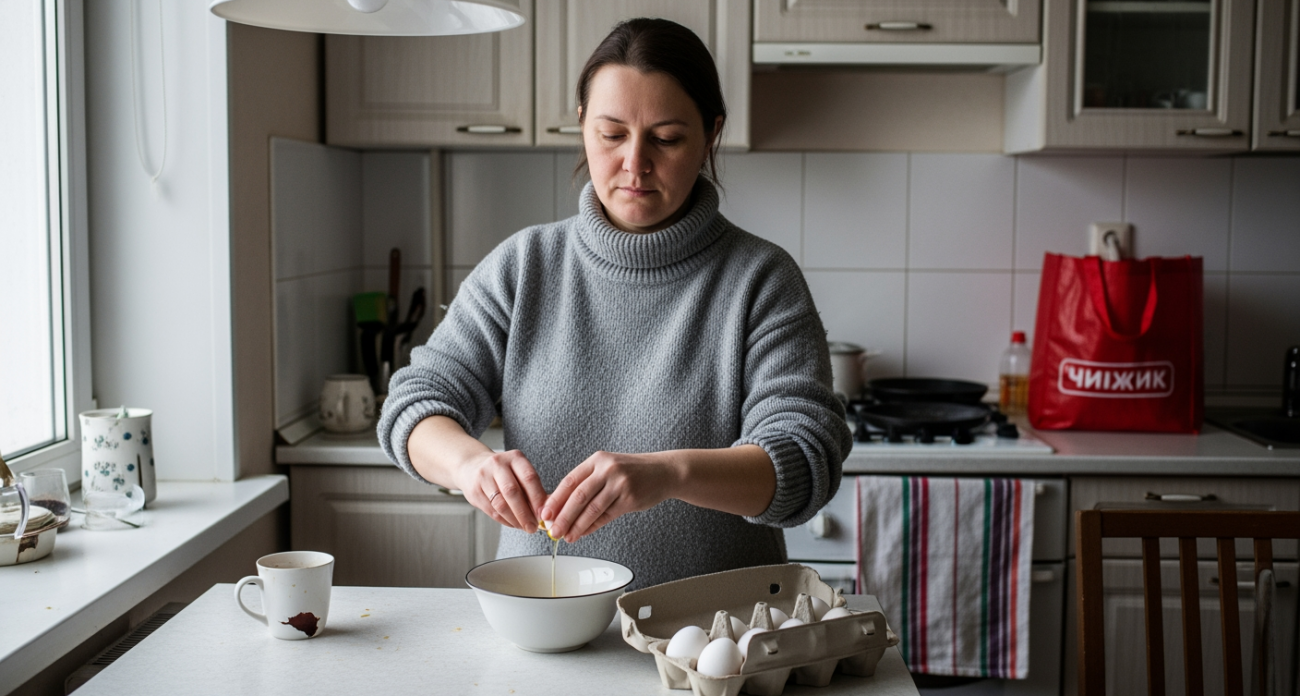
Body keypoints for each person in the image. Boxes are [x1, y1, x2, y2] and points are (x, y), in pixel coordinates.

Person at [378, 18, 851, 589]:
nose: (635, 163)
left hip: (718, 636)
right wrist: (470, 465)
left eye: (667, 138)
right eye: (611, 134)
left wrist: (669, 473)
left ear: (711, 134)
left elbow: (803, 461)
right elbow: (415, 403)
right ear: (582, 126)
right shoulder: (524, 266)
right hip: (545, 624)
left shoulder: (760, 280)